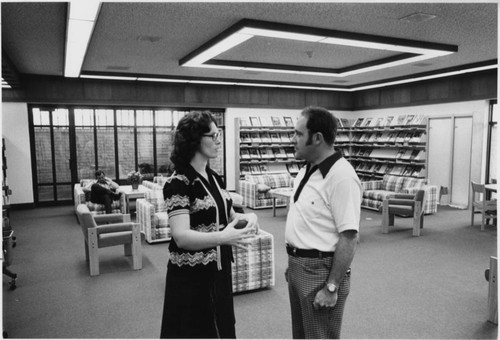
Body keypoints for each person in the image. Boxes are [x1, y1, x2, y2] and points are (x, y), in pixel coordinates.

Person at [160, 111, 258, 339]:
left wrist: (248, 219)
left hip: (219, 273)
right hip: (191, 278)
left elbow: (230, 216)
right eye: (213, 135)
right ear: (194, 139)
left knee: (222, 327)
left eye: (219, 134)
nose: (218, 140)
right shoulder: (179, 182)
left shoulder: (214, 177)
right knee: (197, 330)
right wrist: (223, 237)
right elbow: (181, 236)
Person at [285, 106, 362, 339]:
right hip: (299, 267)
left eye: (298, 134)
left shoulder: (342, 177)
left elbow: (349, 237)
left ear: (317, 138)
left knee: (320, 336)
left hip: (321, 275)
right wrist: (294, 263)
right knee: (302, 335)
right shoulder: (307, 169)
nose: (293, 139)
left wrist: (331, 287)